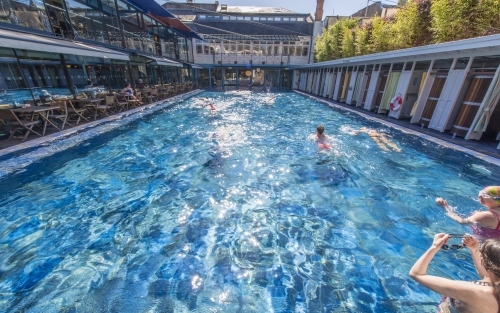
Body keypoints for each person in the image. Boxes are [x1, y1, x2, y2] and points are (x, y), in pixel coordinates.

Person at [410, 234, 500, 313]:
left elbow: (417, 274)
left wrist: (434, 246)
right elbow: (487, 276)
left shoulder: (473, 291)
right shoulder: (495, 286)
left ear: (483, 260)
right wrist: (474, 249)